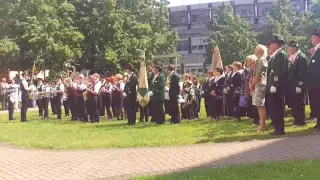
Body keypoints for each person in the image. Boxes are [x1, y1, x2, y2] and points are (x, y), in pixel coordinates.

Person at [266, 34, 289, 135]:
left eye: (271, 43)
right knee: (272, 107)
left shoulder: (281, 54)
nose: (270, 45)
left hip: (277, 87)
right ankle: (277, 128)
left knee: (277, 107)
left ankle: (280, 129)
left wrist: (275, 84)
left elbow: (279, 71)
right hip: (272, 86)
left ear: (276, 44)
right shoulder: (276, 55)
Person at [286, 40, 308, 126]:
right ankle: (297, 119)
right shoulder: (295, 57)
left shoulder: (301, 57)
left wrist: (300, 84)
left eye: (289, 48)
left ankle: (301, 120)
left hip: (297, 84)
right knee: (294, 102)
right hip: (292, 85)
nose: (288, 49)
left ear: (293, 48)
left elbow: (302, 73)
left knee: (299, 102)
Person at [251, 45, 268, 131]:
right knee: (258, 105)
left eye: (256, 49)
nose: (254, 51)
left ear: (261, 51)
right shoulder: (259, 60)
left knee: (260, 105)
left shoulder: (262, 60)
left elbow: (258, 75)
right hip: (257, 84)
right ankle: (262, 124)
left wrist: (252, 84)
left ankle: (263, 126)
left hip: (260, 84)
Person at [307, 28, 320, 130]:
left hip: (317, 83)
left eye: (313, 37)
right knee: (316, 103)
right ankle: (318, 123)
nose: (312, 39)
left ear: (318, 38)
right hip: (314, 83)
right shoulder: (316, 50)